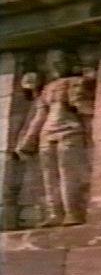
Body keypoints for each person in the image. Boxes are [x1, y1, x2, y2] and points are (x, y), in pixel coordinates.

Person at [14, 49, 94, 227]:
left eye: (60, 61)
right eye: (52, 63)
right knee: (49, 177)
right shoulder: (48, 89)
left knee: (68, 174)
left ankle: (73, 213)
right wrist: (28, 140)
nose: (56, 66)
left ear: (69, 63)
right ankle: (54, 213)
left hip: (70, 130)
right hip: (47, 132)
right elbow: (39, 116)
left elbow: (83, 108)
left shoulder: (75, 82)